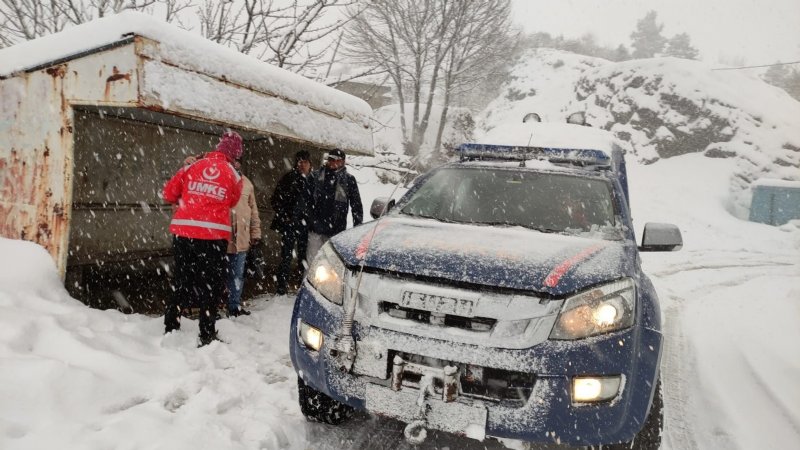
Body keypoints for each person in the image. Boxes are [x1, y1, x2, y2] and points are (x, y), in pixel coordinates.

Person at [162, 130, 244, 346]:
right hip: (213, 236)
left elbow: (169, 193)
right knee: (211, 285)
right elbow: (233, 202)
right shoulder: (234, 175)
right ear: (235, 155)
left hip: (184, 233)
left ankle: (171, 326)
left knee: (182, 281)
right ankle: (206, 332)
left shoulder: (191, 165)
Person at [307, 148, 363, 260]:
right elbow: (306, 201)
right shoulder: (315, 176)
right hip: (315, 229)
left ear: (343, 161)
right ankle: (307, 278)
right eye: (331, 159)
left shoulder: (349, 180)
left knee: (330, 263)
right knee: (311, 262)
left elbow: (356, 205)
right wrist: (310, 220)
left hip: (336, 230)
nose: (333, 162)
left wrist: (358, 229)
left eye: (337, 160)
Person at [270, 150, 313, 295]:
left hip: (306, 225)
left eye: (305, 162)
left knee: (304, 256)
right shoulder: (288, 178)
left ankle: (302, 286)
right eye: (300, 162)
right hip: (289, 224)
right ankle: (282, 287)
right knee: (286, 256)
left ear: (310, 164)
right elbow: (275, 200)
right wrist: (284, 215)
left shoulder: (314, 180)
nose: (302, 165)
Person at [226, 162, 262, 316]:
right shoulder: (222, 180)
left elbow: (253, 211)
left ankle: (233, 306)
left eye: (237, 160)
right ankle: (214, 305)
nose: (236, 164)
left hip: (241, 238)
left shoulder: (247, 183)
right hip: (222, 238)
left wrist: (255, 233)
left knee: (237, 275)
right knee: (219, 274)